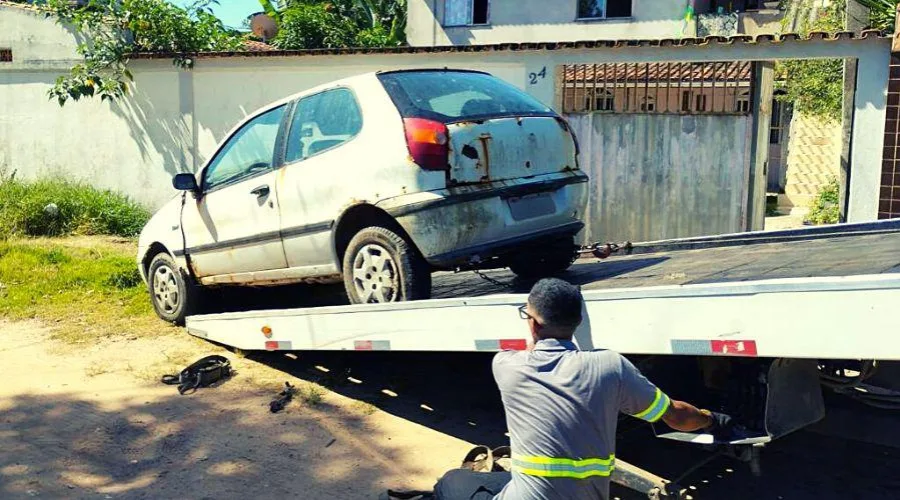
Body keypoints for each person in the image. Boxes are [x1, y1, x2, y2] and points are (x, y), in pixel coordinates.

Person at [433, 278, 732, 500]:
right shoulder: (610, 367)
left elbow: (527, 351)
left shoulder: (507, 366)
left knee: (449, 483)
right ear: (576, 323)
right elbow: (676, 416)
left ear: (534, 325)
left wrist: (534, 330)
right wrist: (712, 419)